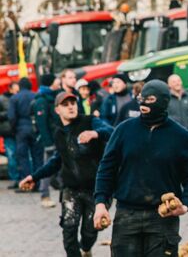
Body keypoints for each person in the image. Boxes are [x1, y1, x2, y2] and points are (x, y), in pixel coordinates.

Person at [93, 80, 188, 256]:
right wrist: (100, 204)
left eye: (150, 99)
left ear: (163, 101)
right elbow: (107, 169)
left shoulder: (182, 137)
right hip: (127, 214)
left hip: (163, 218)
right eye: (141, 98)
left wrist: (186, 204)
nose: (143, 103)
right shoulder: (123, 130)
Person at [19, 92, 113, 257]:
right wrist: (34, 177)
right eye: (65, 104)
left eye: (73, 103)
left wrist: (95, 133)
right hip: (72, 188)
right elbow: (56, 161)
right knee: (69, 227)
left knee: (89, 232)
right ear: (57, 110)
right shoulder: (59, 133)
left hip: (96, 189)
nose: (71, 107)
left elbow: (112, 132)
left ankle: (86, 248)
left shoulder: (90, 121)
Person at [31, 73, 61, 208]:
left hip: (56, 138)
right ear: (51, 82)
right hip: (50, 141)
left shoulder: (51, 96)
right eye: (56, 80)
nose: (58, 82)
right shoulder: (42, 100)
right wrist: (48, 143)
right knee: (47, 167)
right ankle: (45, 195)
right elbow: (42, 124)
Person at [9, 78, 38, 193]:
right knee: (37, 157)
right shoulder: (36, 96)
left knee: (23, 157)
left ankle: (26, 184)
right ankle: (38, 183)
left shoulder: (14, 98)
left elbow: (11, 117)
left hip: (21, 129)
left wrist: (14, 129)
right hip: (35, 129)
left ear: (19, 86)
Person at [2, 82, 18, 188]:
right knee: (11, 156)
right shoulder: (2, 99)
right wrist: (8, 113)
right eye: (16, 90)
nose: (17, 92)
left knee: (20, 156)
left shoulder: (17, 99)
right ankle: (15, 179)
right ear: (10, 89)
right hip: (8, 132)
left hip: (18, 131)